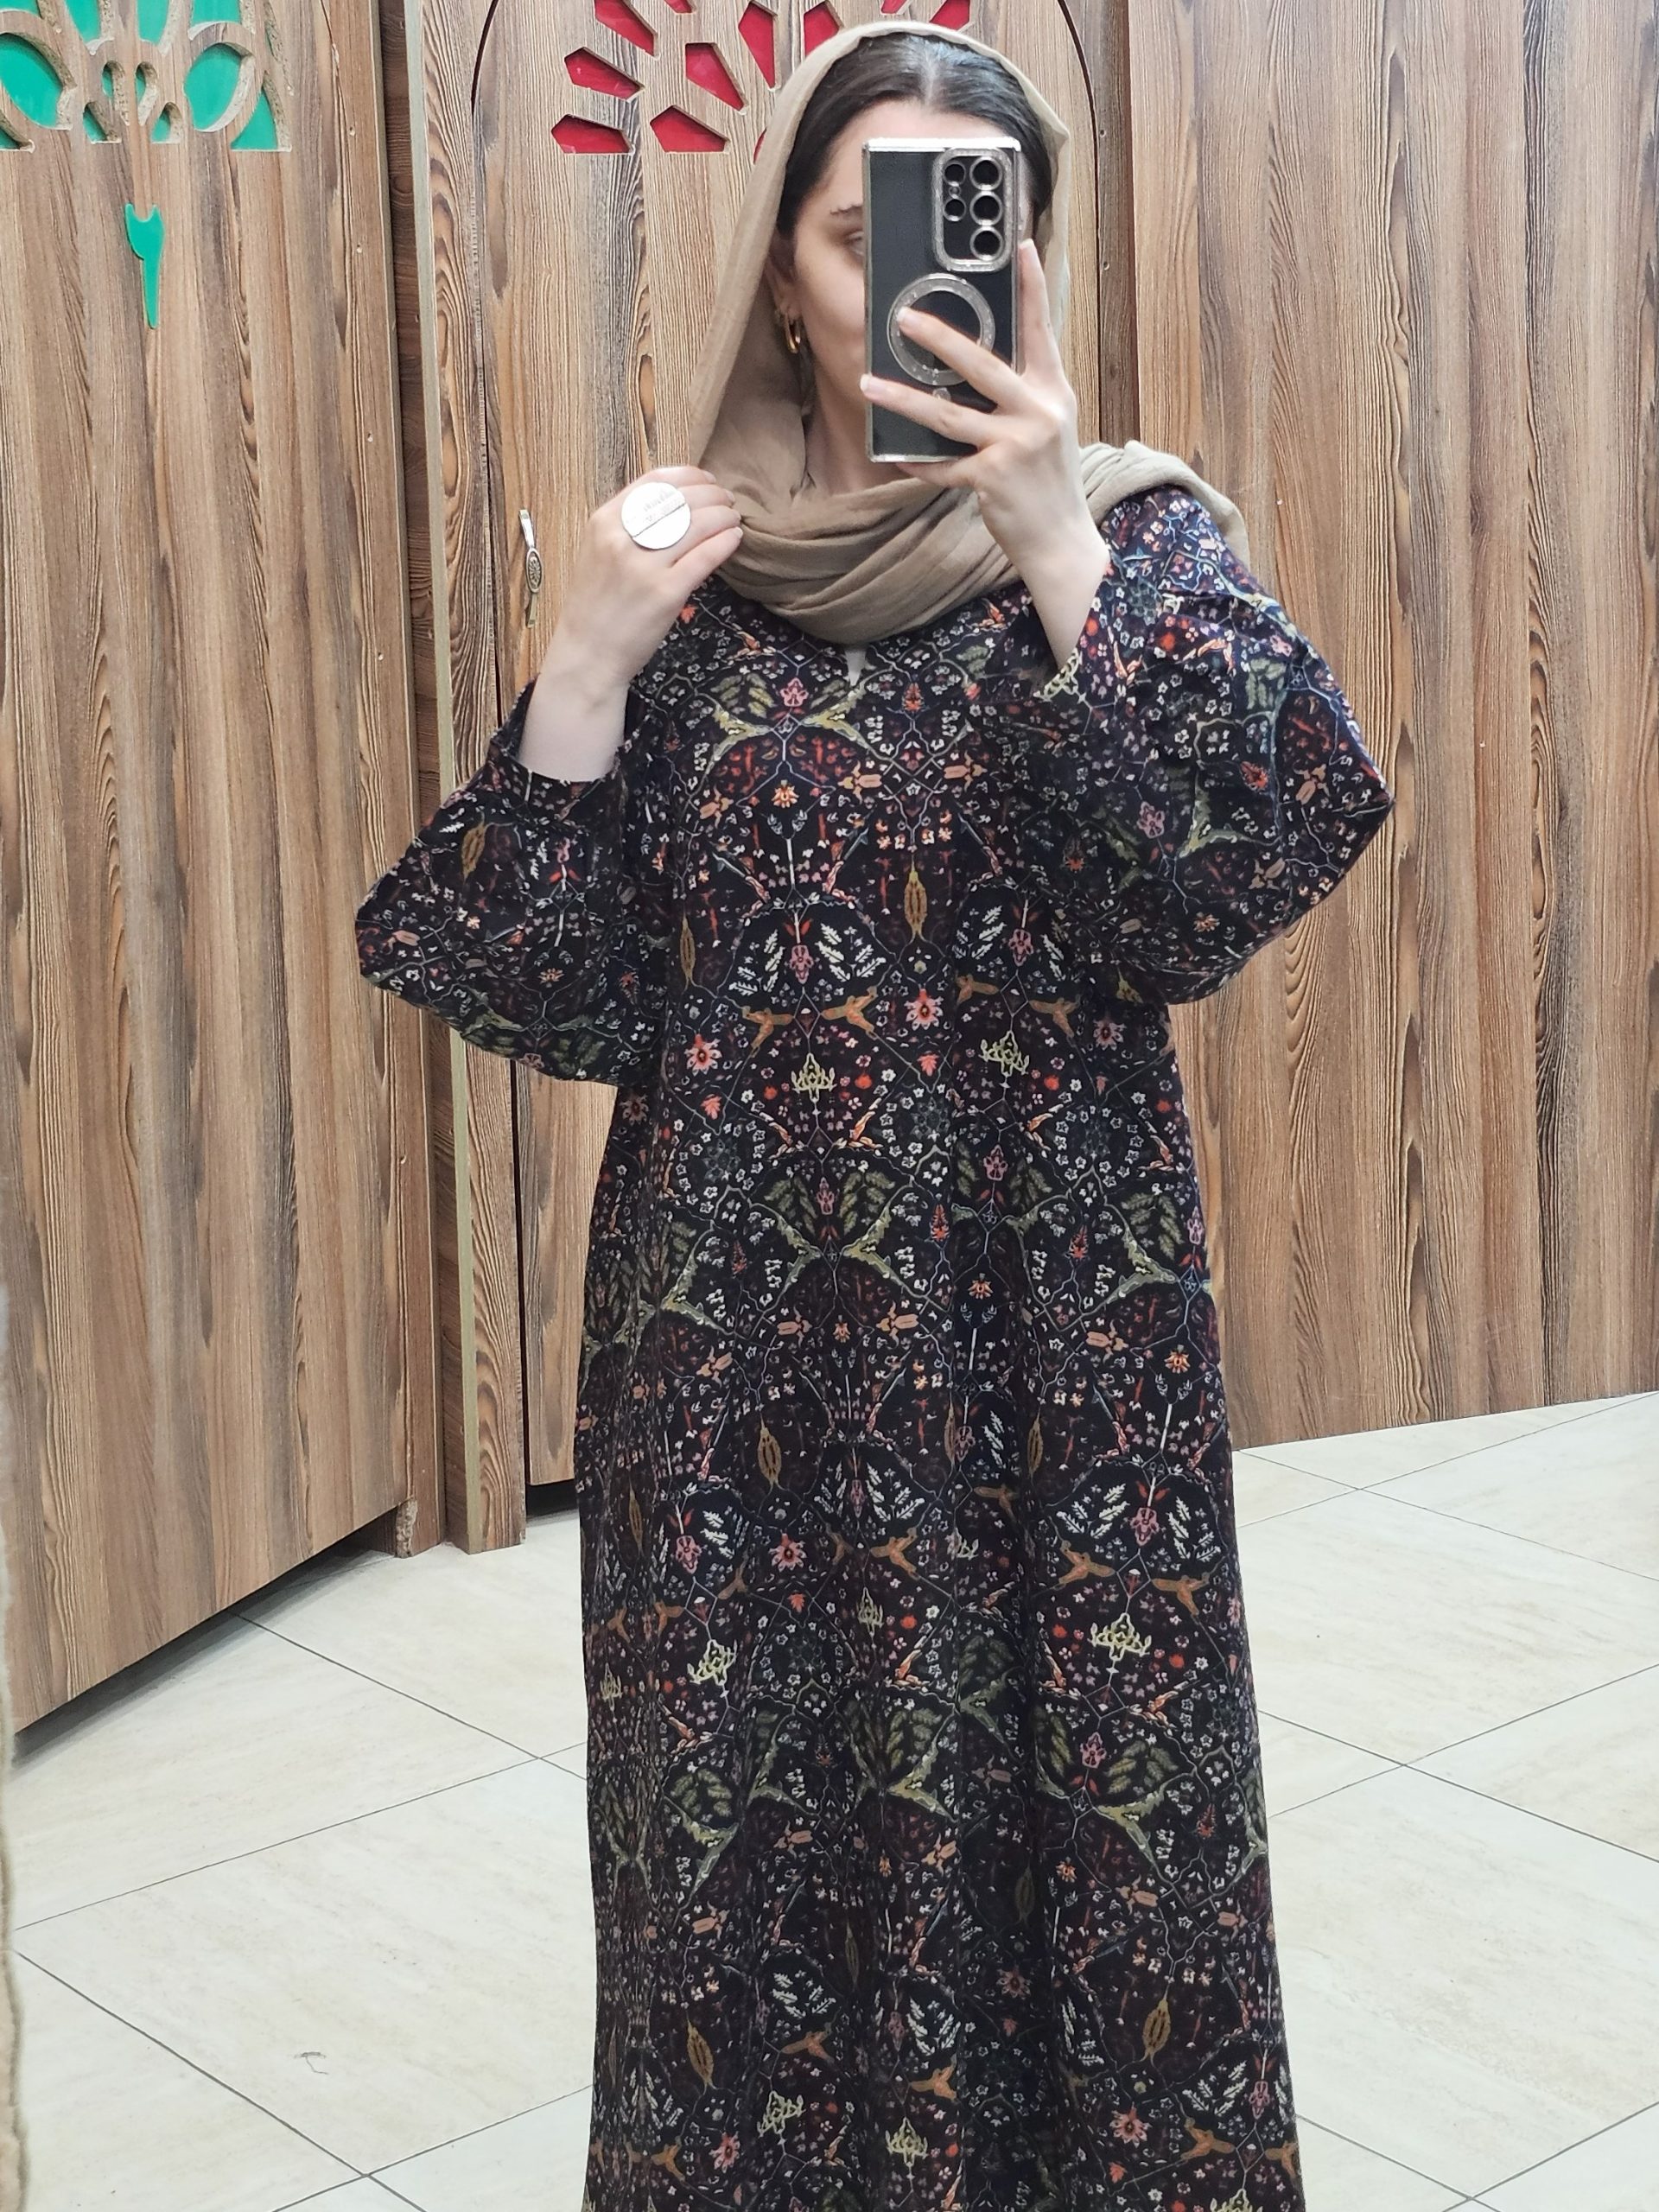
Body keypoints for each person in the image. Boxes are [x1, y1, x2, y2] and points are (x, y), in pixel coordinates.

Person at [355, 20, 1394, 2211]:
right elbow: (541, 986)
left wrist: (1055, 543)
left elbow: (1241, 865)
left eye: (971, 236)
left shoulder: (1136, 544)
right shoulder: (687, 584)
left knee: (1091, 1851)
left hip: (1055, 1366)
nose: (916, 288)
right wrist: (580, 666)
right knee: (747, 1869)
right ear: (779, 268)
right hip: (738, 1384)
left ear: (1035, 261)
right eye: (861, 235)